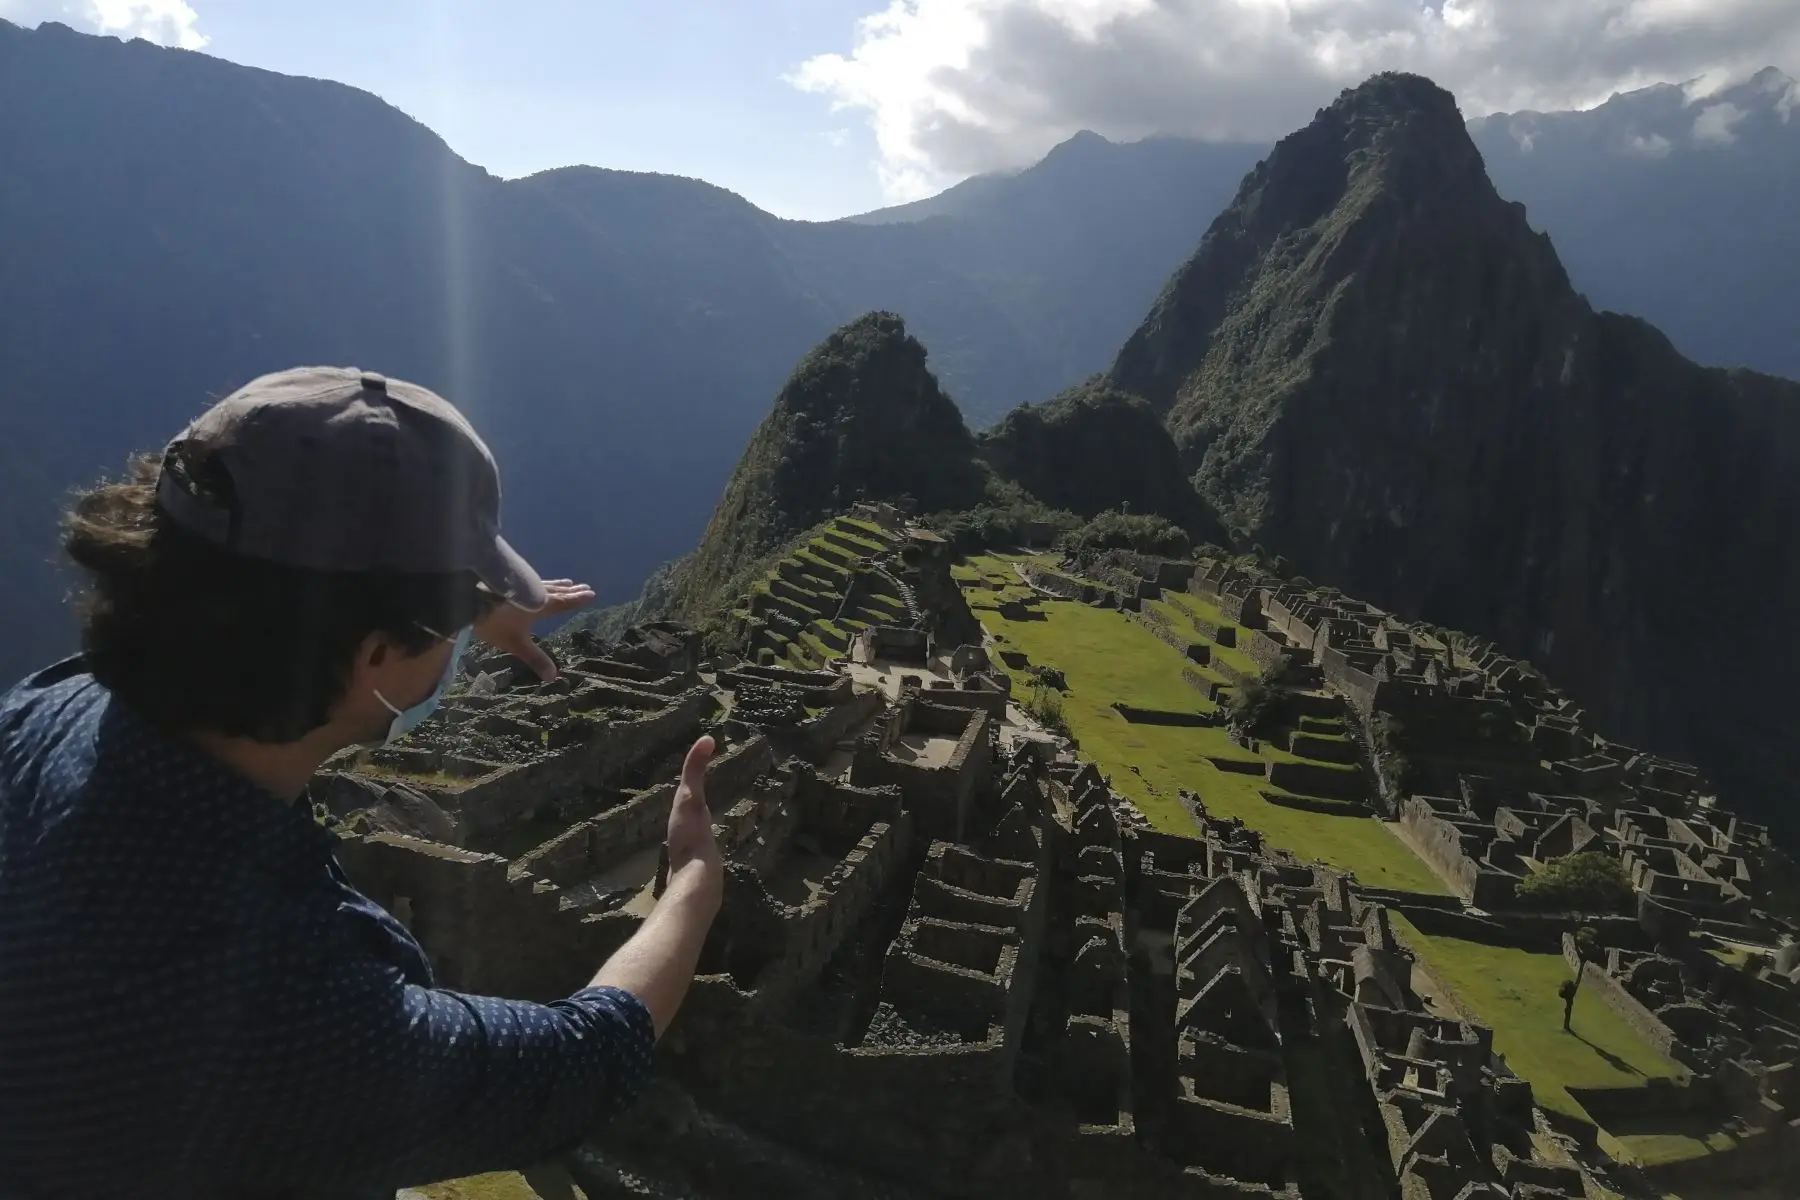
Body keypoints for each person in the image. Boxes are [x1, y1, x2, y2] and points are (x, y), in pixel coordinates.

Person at [0, 367, 724, 1199]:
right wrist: (692, 891)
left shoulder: (45, 711)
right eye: (442, 628)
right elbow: (580, 1059)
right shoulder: (289, 1006)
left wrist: (436, 607)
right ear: (373, 653)